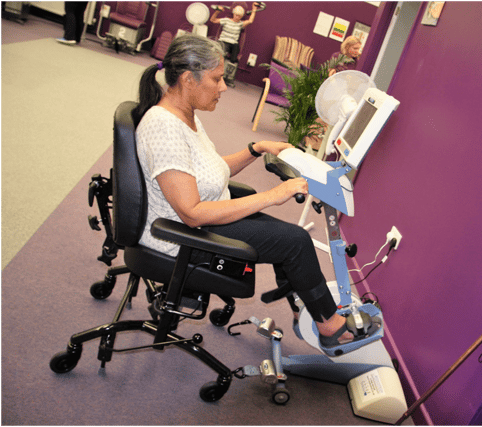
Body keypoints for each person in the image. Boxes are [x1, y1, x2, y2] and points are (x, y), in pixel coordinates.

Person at [134, 34, 365, 351]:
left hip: (201, 218)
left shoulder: (184, 114)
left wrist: (255, 149)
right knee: (295, 242)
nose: (224, 87)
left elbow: (211, 170)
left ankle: (305, 304)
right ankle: (332, 328)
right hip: (180, 236)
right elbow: (191, 212)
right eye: (217, 79)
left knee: (286, 235)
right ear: (188, 79)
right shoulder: (164, 126)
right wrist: (274, 195)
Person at [209, 2, 258, 86]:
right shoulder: (226, 20)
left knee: (234, 60)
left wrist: (254, 9)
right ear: (233, 14)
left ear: (241, 16)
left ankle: (228, 78)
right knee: (220, 56)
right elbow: (213, 20)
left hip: (233, 44)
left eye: (239, 16)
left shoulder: (240, 24)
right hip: (223, 41)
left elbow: (250, 21)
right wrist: (217, 11)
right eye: (236, 15)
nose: (237, 17)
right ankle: (215, 75)